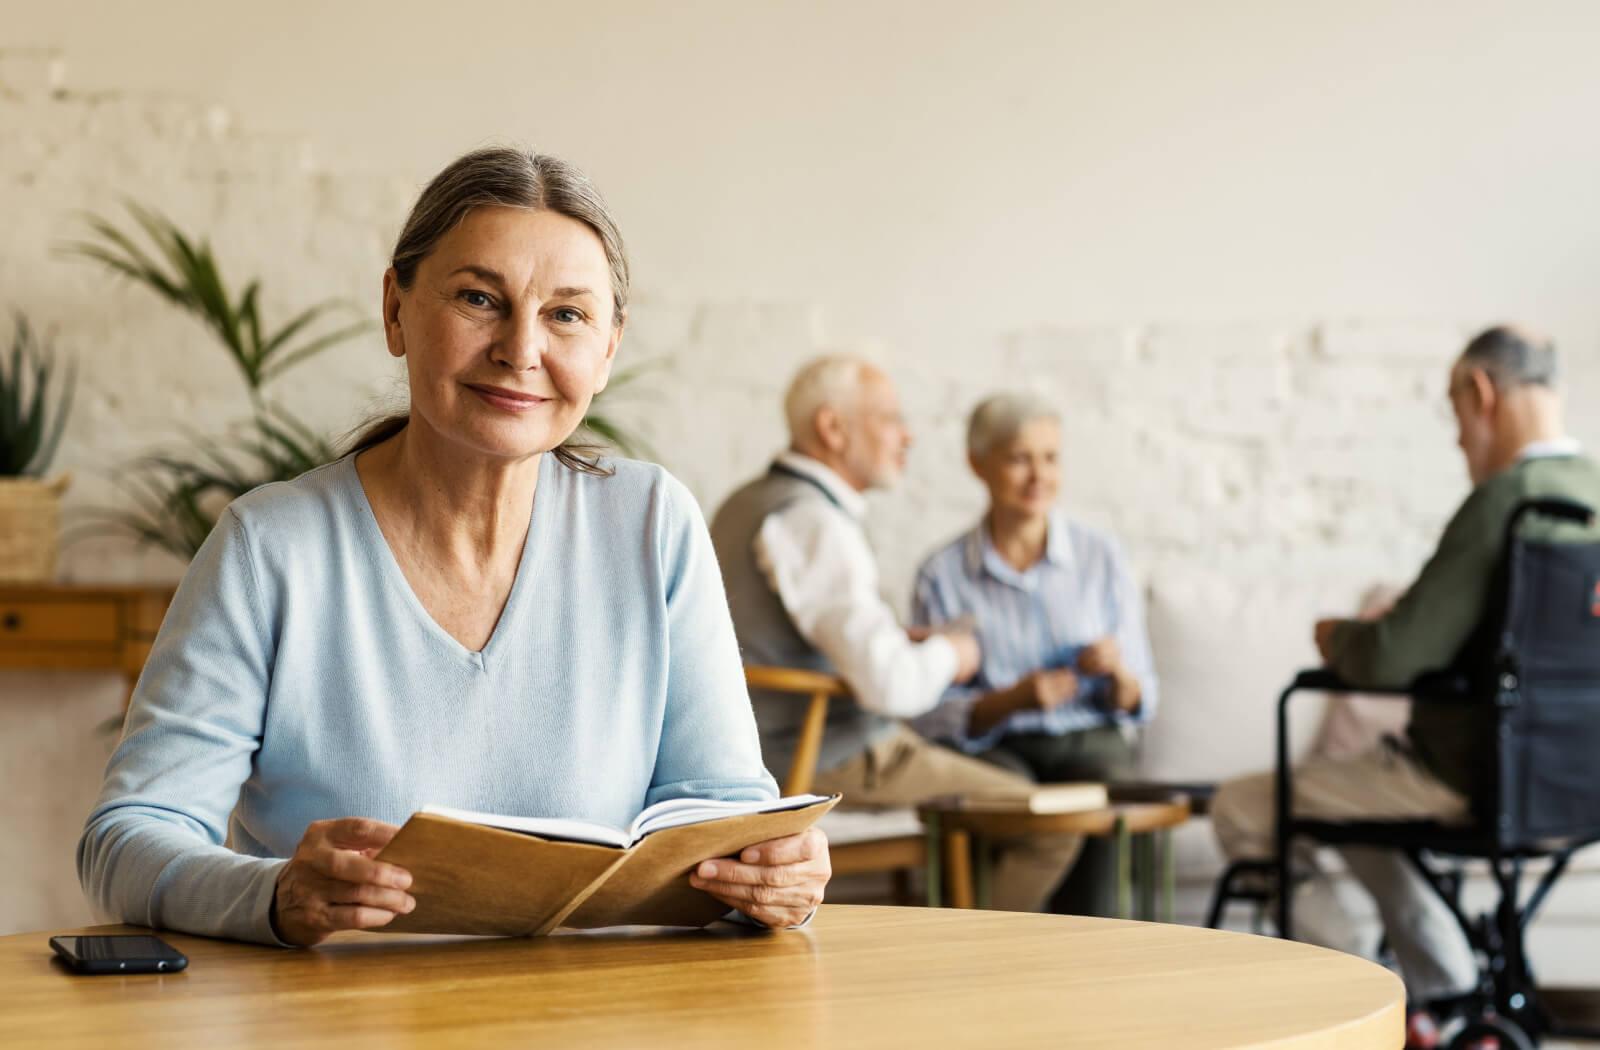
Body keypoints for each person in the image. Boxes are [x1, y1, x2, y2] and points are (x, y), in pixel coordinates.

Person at [77, 147, 829, 947]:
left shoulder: (654, 525)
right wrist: (274, 894)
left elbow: (726, 820)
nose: (520, 350)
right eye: (479, 298)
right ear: (396, 311)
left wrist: (777, 875)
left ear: (608, 349)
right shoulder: (270, 549)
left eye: (566, 315)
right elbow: (126, 841)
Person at [1211, 325, 1600, 1039]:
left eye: (1455, 414)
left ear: (1481, 393)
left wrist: (1342, 637)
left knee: (1242, 805)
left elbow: (1391, 658)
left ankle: (1364, 997)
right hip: (1577, 793)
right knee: (1365, 824)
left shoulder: (1505, 502)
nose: (1458, 440)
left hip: (1464, 783)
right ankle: (1444, 993)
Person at [710, 357, 1079, 912]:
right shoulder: (812, 522)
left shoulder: (746, 504)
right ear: (834, 430)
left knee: (998, 788)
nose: (908, 435)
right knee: (1051, 822)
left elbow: (790, 631)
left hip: (766, 744)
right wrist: (952, 654)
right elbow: (891, 687)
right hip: (828, 754)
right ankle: (976, 977)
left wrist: (899, 638)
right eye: (889, 418)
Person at [909, 393, 1158, 914]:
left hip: (1088, 737)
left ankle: (1093, 952)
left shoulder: (1102, 556)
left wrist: (1117, 675)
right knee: (1004, 800)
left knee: (1108, 790)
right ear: (978, 464)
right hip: (999, 748)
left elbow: (1142, 697)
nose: (1038, 476)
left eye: (1051, 458)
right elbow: (929, 716)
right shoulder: (942, 574)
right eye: (1020, 458)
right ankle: (994, 956)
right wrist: (1013, 700)